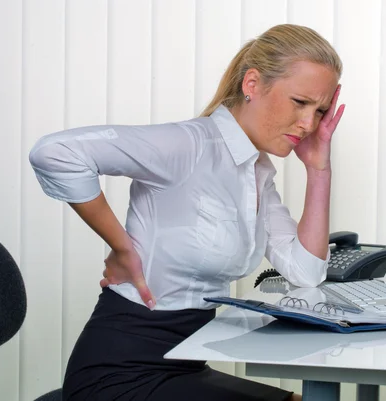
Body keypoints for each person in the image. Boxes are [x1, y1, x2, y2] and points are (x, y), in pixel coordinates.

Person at [29, 23, 344, 401]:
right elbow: (55, 153)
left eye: (320, 110)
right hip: (120, 373)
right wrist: (122, 246)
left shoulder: (256, 173)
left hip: (183, 362)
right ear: (253, 84)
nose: (309, 124)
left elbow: (305, 272)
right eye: (300, 102)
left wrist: (318, 170)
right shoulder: (188, 145)